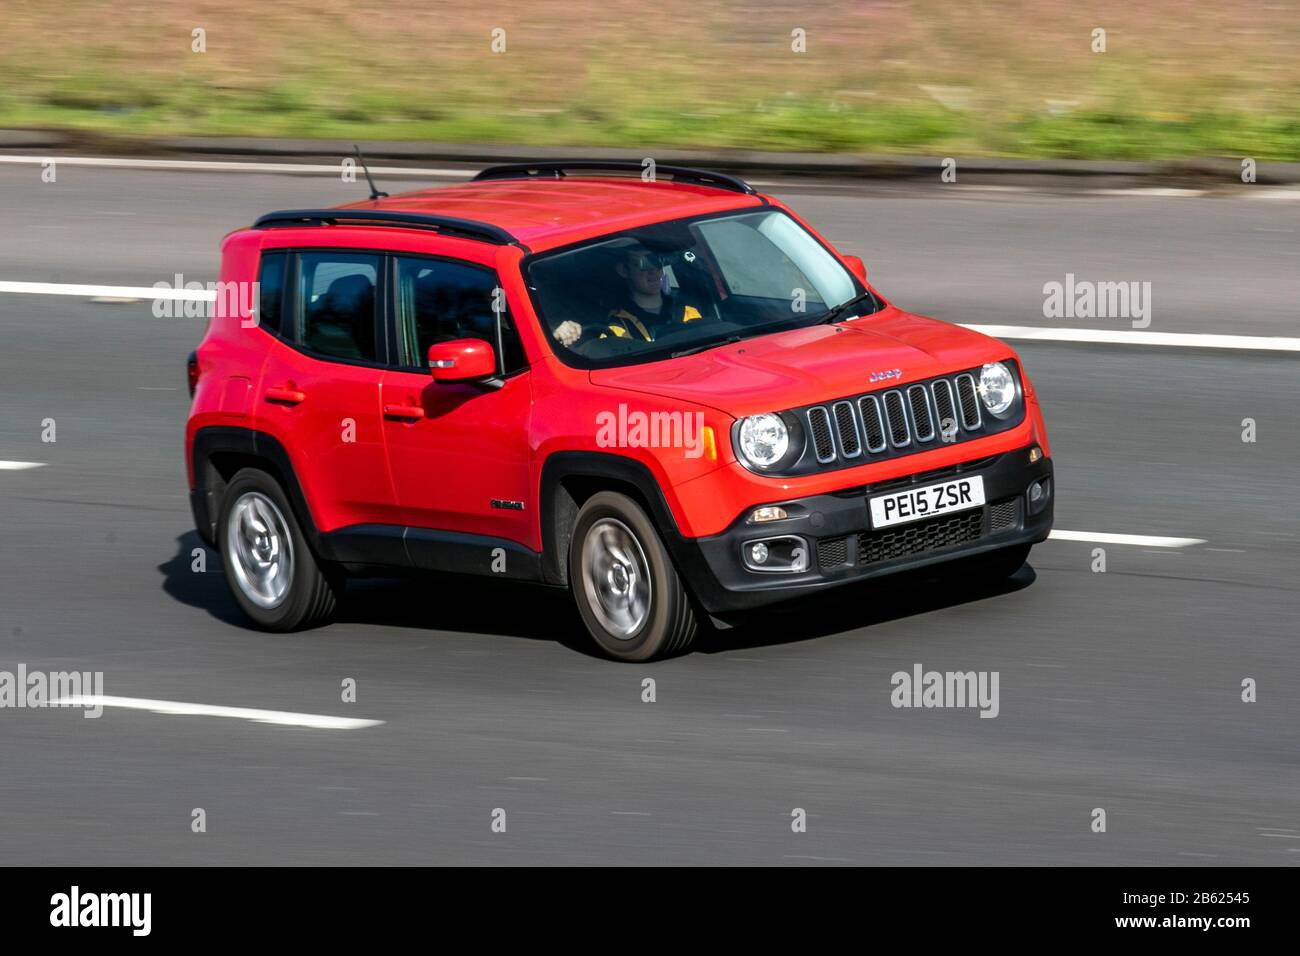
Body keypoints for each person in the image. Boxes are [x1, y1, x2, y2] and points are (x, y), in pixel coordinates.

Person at [553, 244, 702, 348]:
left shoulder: (687, 312)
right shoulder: (613, 325)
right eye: (645, 264)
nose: (654, 271)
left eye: (656, 262)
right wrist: (559, 336)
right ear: (624, 271)